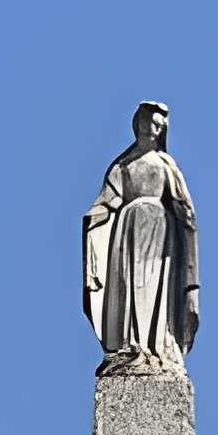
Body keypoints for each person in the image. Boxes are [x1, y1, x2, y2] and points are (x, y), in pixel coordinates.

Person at [82, 102, 200, 375]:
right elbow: (107, 201)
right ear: (138, 124)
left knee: (152, 286)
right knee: (128, 283)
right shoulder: (123, 167)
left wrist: (185, 230)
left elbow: (183, 207)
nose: (152, 128)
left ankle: (154, 346)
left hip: (159, 231)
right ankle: (130, 345)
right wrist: (93, 218)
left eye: (157, 124)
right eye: (148, 122)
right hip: (128, 229)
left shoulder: (166, 165)